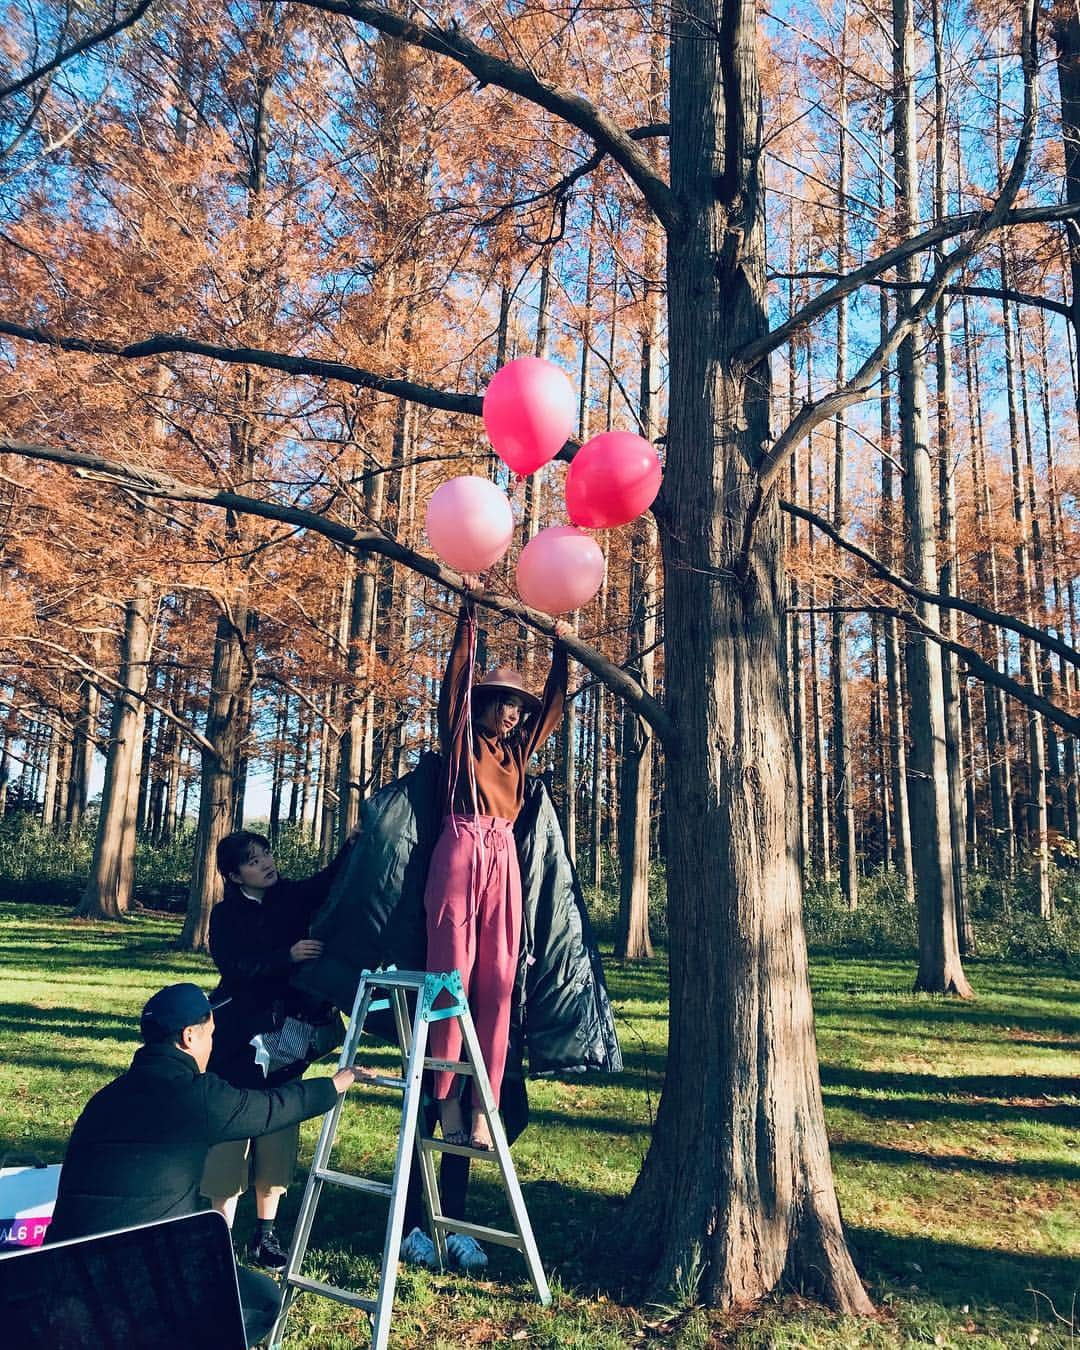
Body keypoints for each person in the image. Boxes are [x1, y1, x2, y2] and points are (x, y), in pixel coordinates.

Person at [47, 982, 366, 1348]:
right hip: (139, 1277)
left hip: (61, 1276)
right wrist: (335, 1084)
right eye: (210, 1034)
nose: (212, 1044)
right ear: (187, 1037)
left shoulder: (104, 1099)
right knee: (261, 1300)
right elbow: (272, 1109)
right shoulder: (194, 1096)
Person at [423, 589, 568, 1156]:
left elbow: (553, 709)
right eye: (504, 701)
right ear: (484, 703)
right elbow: (454, 685)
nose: (513, 712)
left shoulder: (518, 753)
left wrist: (562, 653)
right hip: (460, 844)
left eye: (518, 705)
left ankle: (485, 1103)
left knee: (501, 980)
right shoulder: (461, 738)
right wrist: (468, 617)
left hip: (502, 853)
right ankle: (446, 1097)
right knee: (449, 974)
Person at [200, 828, 358, 1270]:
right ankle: (218, 1236)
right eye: (252, 860)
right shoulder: (226, 915)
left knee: (279, 1129)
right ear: (234, 875)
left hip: (291, 1040)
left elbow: (327, 881)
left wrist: (352, 841)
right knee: (231, 1139)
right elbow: (234, 966)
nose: (265, 863)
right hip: (239, 1043)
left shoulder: (290, 895)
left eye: (265, 853)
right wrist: (286, 957)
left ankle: (265, 1237)